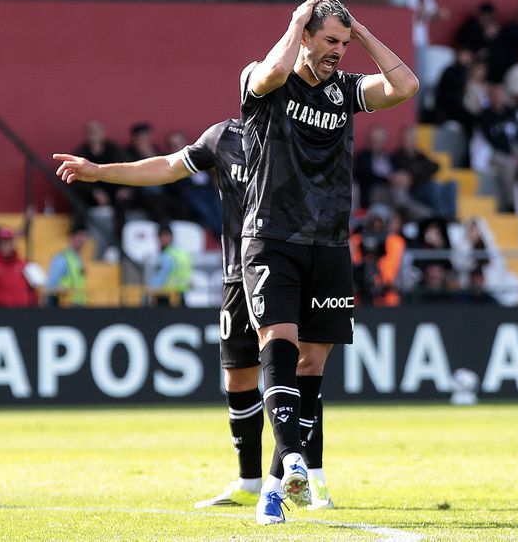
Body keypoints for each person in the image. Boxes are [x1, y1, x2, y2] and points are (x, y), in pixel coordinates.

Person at [54, 119, 338, 512]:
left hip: (293, 266)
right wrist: (100, 172)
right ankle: (249, 481)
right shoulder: (224, 136)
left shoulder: (301, 132)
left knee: (305, 365)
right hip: (239, 271)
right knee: (238, 377)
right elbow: (168, 166)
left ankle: (314, 474)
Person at [239, 0, 417, 524]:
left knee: (313, 363)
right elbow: (269, 74)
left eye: (344, 42)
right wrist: (295, 22)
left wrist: (360, 31)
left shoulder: (345, 90)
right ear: (307, 35)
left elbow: (405, 86)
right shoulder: (264, 77)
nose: (338, 51)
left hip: (331, 241)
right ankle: (295, 456)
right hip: (274, 236)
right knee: (279, 343)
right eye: (330, 40)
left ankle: (276, 486)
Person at [147, 224, 193, 307]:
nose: (162, 239)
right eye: (160, 236)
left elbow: (158, 279)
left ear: (171, 237)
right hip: (180, 295)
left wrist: (149, 290)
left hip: (166, 297)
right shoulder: (183, 253)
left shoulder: (166, 256)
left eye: (164, 236)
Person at [45, 225, 88, 307]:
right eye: (80, 237)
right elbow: (51, 285)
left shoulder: (78, 258)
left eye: (85, 237)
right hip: (66, 305)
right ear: (72, 237)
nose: (83, 240)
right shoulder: (62, 258)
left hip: (78, 303)